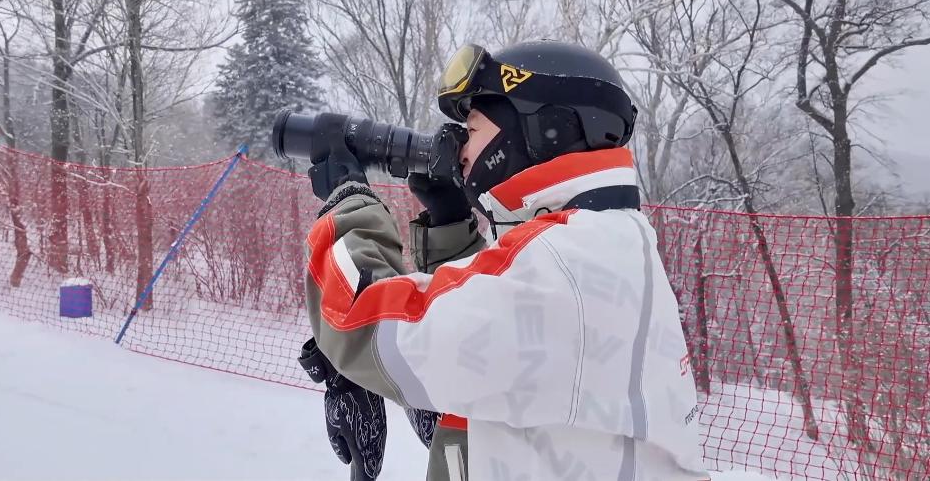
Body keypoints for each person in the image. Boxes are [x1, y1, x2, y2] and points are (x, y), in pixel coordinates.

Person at [297, 40, 709, 481]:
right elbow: (488, 369)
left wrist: (349, 200)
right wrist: (450, 226)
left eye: (472, 129)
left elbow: (360, 320)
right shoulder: (604, 241)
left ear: (543, 129)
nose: (460, 149)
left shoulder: (562, 263)